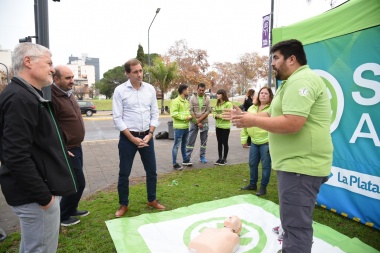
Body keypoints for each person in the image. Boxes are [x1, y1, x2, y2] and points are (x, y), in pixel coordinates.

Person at [226, 39, 333, 253]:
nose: (272, 64)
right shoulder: (292, 82)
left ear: (292, 59)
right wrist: (249, 115)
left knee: (296, 227)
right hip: (296, 166)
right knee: (291, 221)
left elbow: (293, 122)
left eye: (276, 58)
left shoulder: (301, 81)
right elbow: (273, 113)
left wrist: (253, 121)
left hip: (301, 166)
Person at [0, 43, 77, 252]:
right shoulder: (20, 98)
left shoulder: (24, 94)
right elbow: (15, 155)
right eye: (49, 63)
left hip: (35, 194)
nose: (53, 69)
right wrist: (45, 199)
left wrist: (59, 150)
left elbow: (33, 140)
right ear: (28, 61)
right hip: (36, 197)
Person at [112, 58, 165, 218]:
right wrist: (132, 138)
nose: (139, 74)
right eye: (135, 72)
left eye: (141, 71)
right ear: (127, 73)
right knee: (124, 173)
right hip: (128, 138)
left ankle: (152, 199)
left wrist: (150, 134)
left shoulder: (149, 89)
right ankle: (123, 204)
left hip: (147, 136)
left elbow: (155, 113)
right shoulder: (120, 91)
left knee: (152, 171)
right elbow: (117, 118)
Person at [52, 65, 90, 226]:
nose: (72, 81)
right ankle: (63, 216)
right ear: (56, 79)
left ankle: (72, 208)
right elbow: (51, 126)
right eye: (68, 78)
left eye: (72, 77)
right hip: (67, 149)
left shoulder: (68, 94)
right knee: (78, 182)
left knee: (77, 182)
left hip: (76, 145)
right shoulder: (52, 97)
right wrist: (61, 147)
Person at [240, 86, 273, 196]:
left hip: (266, 142)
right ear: (258, 95)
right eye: (261, 93)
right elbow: (245, 124)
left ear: (270, 96)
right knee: (252, 164)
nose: (263, 95)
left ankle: (263, 187)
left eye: (266, 93)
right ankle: (252, 184)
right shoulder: (251, 108)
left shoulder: (271, 109)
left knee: (265, 166)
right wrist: (244, 139)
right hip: (254, 142)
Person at [184, 83, 212, 165]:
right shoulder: (192, 98)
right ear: (197, 89)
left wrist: (200, 120)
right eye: (200, 90)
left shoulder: (207, 99)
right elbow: (191, 110)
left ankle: (202, 156)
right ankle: (188, 157)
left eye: (203, 90)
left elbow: (208, 111)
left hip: (204, 121)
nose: (201, 91)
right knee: (191, 139)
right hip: (194, 121)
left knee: (204, 140)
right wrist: (197, 121)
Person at [170, 84, 193, 170]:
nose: (188, 91)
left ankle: (185, 160)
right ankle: (174, 163)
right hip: (179, 128)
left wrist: (190, 116)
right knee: (176, 145)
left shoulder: (186, 102)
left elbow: (188, 113)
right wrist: (185, 117)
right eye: (187, 90)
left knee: (184, 145)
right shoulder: (175, 101)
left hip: (186, 127)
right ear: (183, 91)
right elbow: (173, 114)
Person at [213, 89, 233, 166]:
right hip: (218, 126)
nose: (217, 95)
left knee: (225, 142)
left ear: (223, 95)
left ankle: (224, 159)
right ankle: (220, 157)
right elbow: (214, 112)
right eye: (217, 94)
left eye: (219, 94)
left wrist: (219, 116)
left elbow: (229, 115)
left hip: (225, 127)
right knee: (219, 142)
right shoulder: (217, 104)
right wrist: (215, 115)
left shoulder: (228, 104)